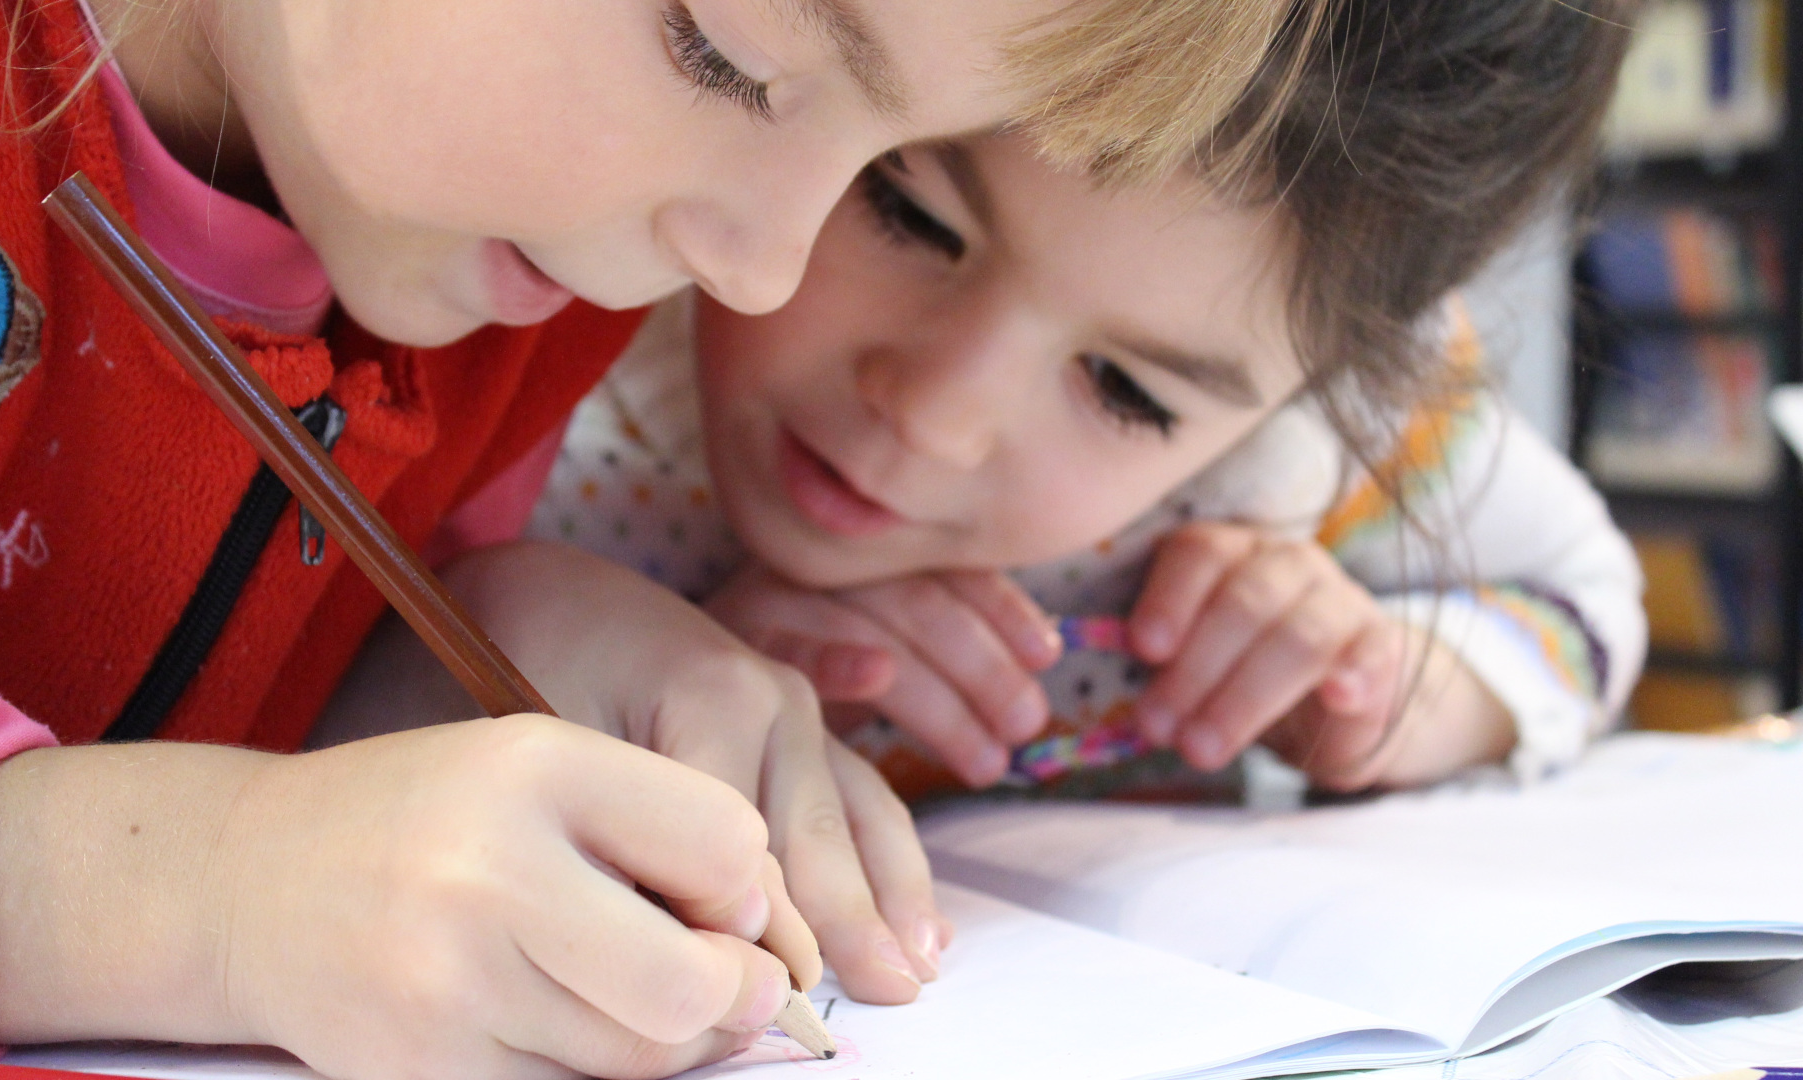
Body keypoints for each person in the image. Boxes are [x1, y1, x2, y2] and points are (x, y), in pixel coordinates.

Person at [0, 0, 1318, 1077]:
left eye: (883, 155)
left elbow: (204, 702)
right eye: (726, 54)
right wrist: (206, 895)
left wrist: (472, 656)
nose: (759, 272)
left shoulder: (514, 282)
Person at [490, 0, 1646, 811]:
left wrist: (1397, 686)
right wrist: (575, 663)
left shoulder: (1307, 453)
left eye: (1127, 394)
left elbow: (1586, 599)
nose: (936, 417)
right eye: (912, 217)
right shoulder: (551, 306)